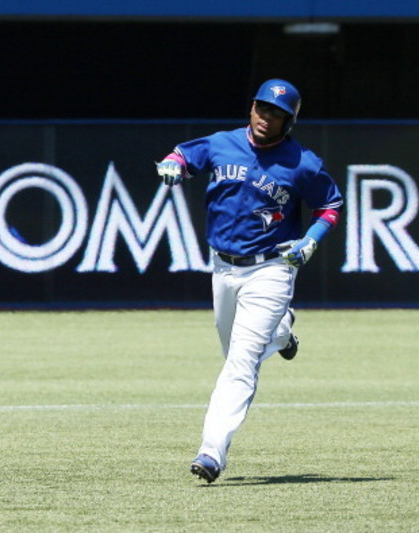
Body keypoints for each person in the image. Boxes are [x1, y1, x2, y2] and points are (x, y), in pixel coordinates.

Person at [155, 78, 343, 484]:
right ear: (251, 108)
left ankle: (211, 452)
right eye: (262, 108)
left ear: (289, 121)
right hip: (223, 268)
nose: (266, 118)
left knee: (240, 364)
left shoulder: (302, 163)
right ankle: (282, 334)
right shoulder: (223, 143)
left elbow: (330, 204)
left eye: (278, 114)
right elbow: (186, 155)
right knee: (234, 353)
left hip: (272, 269)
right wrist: (174, 162)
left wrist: (311, 241)